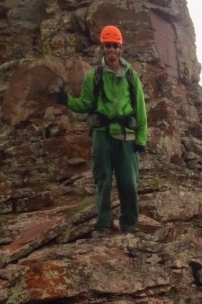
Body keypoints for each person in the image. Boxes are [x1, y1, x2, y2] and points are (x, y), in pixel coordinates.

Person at [57, 25, 148, 233]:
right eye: (107, 46)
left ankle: (129, 223)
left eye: (115, 46)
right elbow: (86, 104)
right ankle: (104, 223)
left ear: (120, 49)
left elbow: (140, 110)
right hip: (102, 136)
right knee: (103, 181)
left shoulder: (131, 77)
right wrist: (66, 100)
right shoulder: (94, 76)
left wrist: (141, 139)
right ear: (103, 48)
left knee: (129, 182)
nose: (111, 50)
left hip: (126, 137)